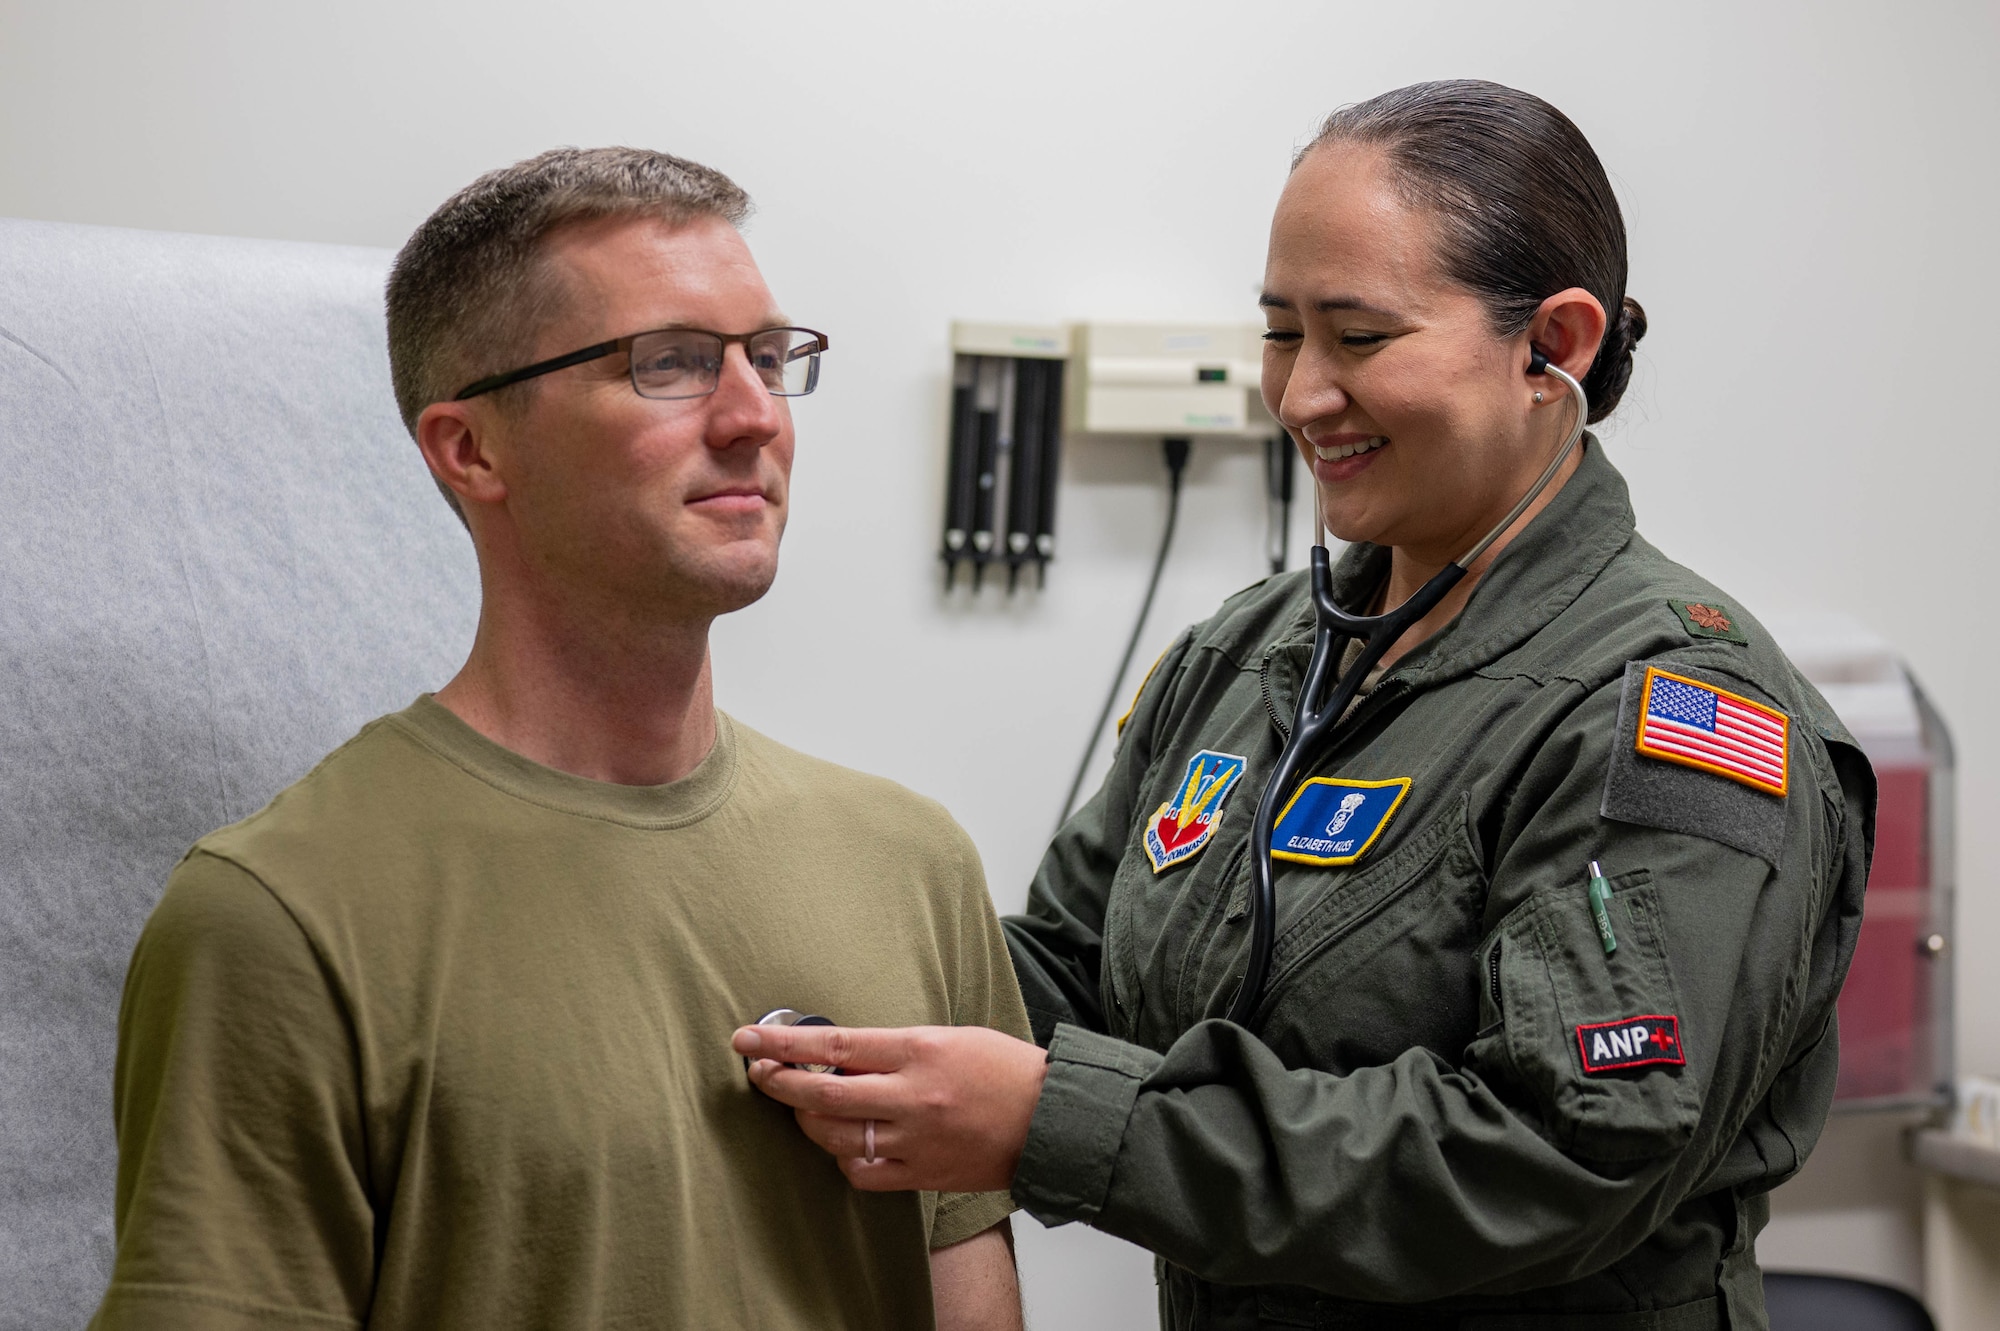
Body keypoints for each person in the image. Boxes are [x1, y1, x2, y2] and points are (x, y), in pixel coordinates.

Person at [736, 82, 1874, 1330]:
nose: (1299, 395)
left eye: (1360, 336)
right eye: (1281, 332)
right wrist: (792, 981)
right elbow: (1067, 969)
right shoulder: (1248, 653)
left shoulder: (1666, 709)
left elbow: (1559, 1150)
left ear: (1555, 341)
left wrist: (1049, 1118)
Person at [92, 147, 1028, 1331]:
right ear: (471, 448)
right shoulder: (280, 915)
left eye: (770, 357)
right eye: (672, 364)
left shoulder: (909, 861)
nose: (753, 418)